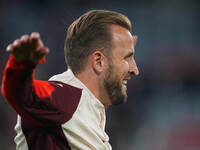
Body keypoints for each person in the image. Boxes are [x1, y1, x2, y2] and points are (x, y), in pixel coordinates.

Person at [1, 9, 139, 150]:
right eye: (127, 57)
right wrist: (21, 66)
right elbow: (23, 94)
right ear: (98, 62)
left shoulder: (86, 105)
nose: (135, 69)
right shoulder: (65, 98)